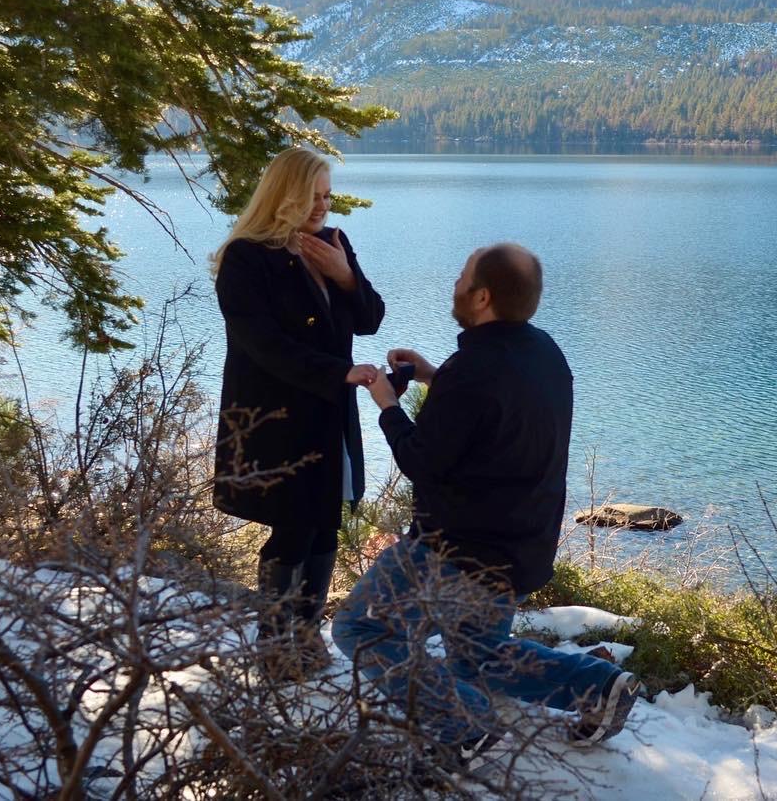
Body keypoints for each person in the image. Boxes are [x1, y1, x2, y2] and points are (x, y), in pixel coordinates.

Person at [332, 243, 640, 763]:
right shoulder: (546, 353)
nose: (454, 283)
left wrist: (387, 402)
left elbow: (422, 461)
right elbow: (497, 413)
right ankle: (598, 688)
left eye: (461, 277)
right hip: (520, 547)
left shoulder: (471, 370)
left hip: (452, 550)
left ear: (481, 296)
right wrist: (433, 377)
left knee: (360, 627)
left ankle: (459, 722)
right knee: (478, 658)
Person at [211, 147, 384, 674]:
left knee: (323, 523)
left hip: (329, 411)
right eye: (313, 195)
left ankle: (306, 637)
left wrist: (345, 276)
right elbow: (262, 344)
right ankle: (275, 646)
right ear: (284, 193)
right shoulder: (245, 257)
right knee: (291, 525)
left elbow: (371, 318)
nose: (322, 206)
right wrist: (338, 373)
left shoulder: (333, 244)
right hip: (275, 418)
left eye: (328, 195)